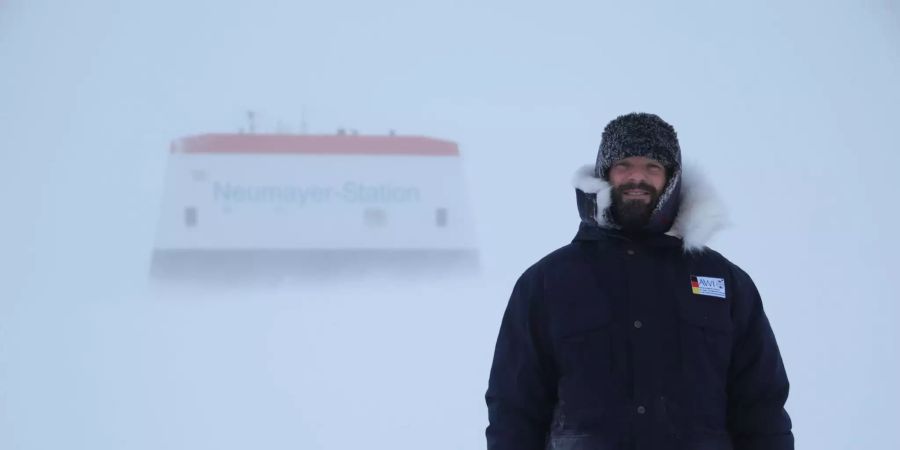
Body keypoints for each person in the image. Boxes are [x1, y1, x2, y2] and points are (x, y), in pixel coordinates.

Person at [485, 113, 793, 450]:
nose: (637, 177)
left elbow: (762, 406)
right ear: (605, 174)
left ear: (671, 179)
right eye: (624, 165)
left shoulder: (724, 283)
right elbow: (514, 408)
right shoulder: (547, 282)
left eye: (652, 167)